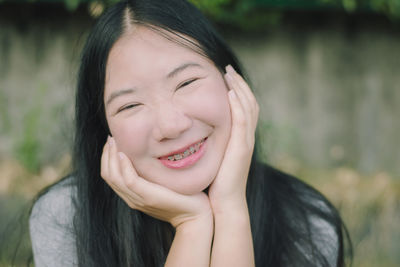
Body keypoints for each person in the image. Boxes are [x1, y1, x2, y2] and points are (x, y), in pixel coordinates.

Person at [29, 0, 352, 266]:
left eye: (186, 83)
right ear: (104, 129)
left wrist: (229, 208)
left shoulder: (306, 222)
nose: (171, 126)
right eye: (130, 105)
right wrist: (193, 225)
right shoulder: (66, 217)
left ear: (233, 84)